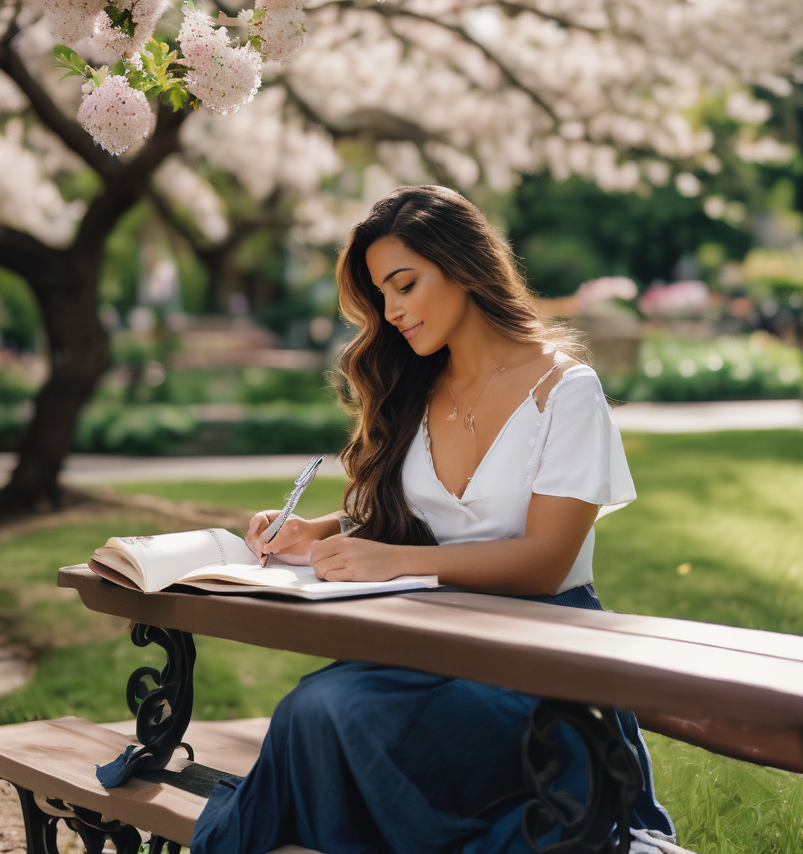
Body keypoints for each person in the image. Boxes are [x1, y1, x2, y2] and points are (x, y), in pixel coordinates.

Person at [192, 185, 675, 854]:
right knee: (317, 708)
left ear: (464, 267)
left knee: (332, 710)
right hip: (432, 645)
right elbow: (407, 515)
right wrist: (320, 531)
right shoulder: (412, 389)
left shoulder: (566, 393)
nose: (390, 313)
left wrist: (397, 561)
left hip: (543, 659)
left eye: (404, 285)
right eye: (379, 295)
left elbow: (546, 562)